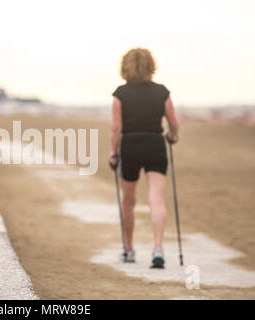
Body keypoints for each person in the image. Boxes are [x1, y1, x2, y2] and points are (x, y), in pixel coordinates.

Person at [109, 48, 179, 269]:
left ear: (125, 67)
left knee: (128, 201)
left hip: (130, 145)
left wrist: (113, 153)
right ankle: (157, 247)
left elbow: (116, 128)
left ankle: (129, 249)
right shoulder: (162, 92)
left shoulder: (120, 93)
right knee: (156, 199)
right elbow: (174, 125)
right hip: (155, 144)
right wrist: (171, 136)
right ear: (151, 66)